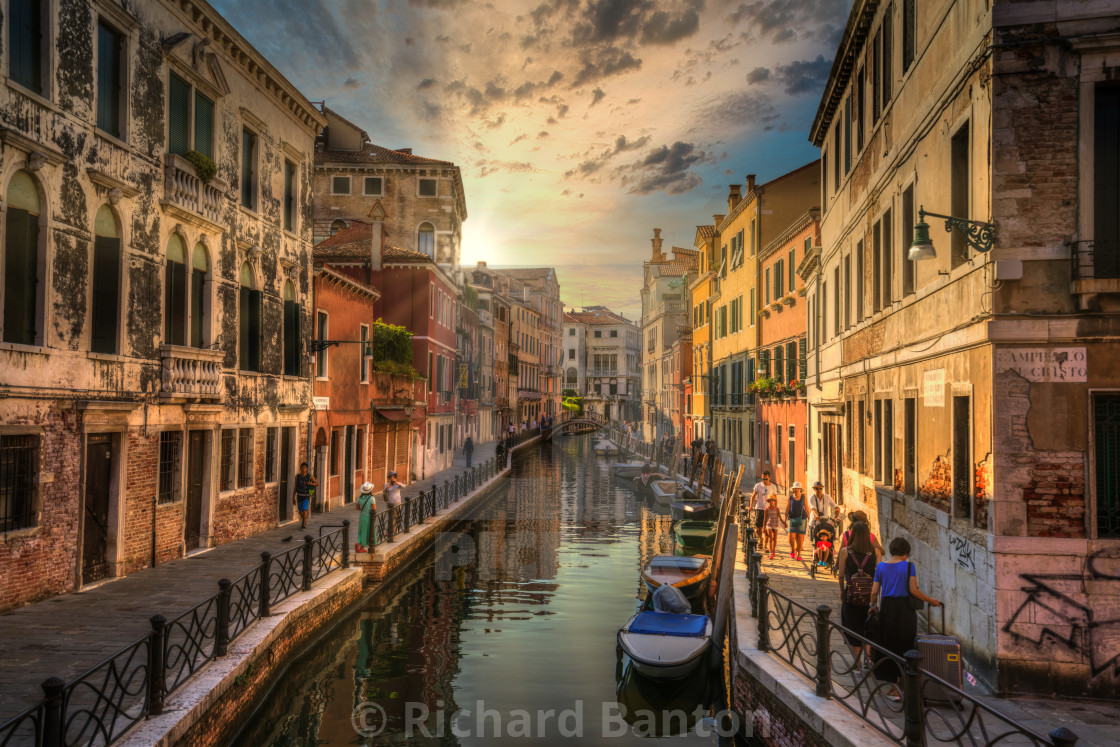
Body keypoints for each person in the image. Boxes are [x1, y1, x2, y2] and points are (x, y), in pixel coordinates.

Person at [869, 536, 942, 700]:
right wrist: (931, 601)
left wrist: (872, 606)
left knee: (888, 644)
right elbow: (914, 590)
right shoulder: (909, 567)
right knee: (905, 644)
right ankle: (904, 684)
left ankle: (894, 688)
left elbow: (874, 592)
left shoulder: (880, 567)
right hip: (905, 611)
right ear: (905, 553)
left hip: (887, 609)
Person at [837, 521, 881, 671]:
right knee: (868, 627)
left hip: (851, 596)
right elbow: (879, 576)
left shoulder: (845, 551)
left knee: (852, 628)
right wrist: (875, 599)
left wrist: (842, 592)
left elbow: (841, 574)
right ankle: (868, 659)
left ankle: (857, 664)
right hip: (869, 597)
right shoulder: (876, 552)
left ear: (853, 534)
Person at [784, 482, 810, 560]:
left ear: (800, 489)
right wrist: (784, 520)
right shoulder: (790, 498)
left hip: (802, 519)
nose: (795, 489)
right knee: (791, 537)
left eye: (797, 488)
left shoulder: (803, 497)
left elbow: (807, 508)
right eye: (794, 488)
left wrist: (810, 519)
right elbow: (787, 508)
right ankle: (793, 550)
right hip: (792, 519)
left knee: (800, 537)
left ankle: (798, 554)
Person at [293, 462, 317, 530]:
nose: (303, 469)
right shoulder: (297, 477)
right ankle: (304, 520)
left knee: (304, 509)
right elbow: (295, 487)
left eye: (305, 468)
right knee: (300, 511)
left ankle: (303, 525)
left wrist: (311, 484)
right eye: (302, 467)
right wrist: (293, 497)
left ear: (307, 469)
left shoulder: (309, 476)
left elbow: (317, 483)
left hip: (306, 495)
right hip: (299, 495)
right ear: (300, 468)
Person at [356, 482, 376, 552]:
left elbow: (357, 508)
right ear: (370, 490)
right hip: (368, 517)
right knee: (369, 531)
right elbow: (374, 508)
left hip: (362, 516)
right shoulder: (372, 498)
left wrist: (363, 509)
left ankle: (359, 543)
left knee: (361, 530)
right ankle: (364, 547)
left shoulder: (360, 498)